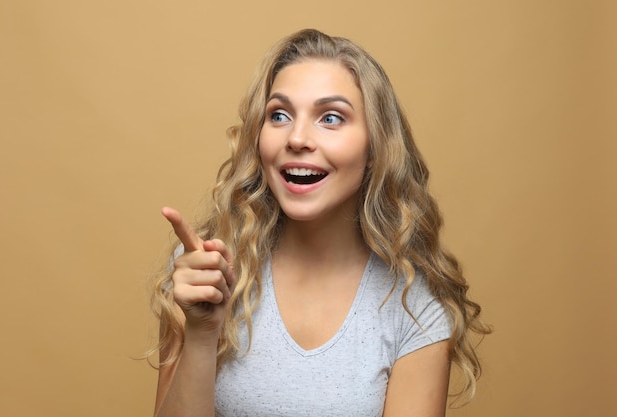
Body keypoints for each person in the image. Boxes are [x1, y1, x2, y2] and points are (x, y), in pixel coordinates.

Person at [149, 29, 491, 417]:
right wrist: (201, 332)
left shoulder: (413, 307)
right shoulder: (204, 271)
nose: (297, 137)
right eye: (279, 115)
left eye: (331, 118)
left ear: (374, 150)